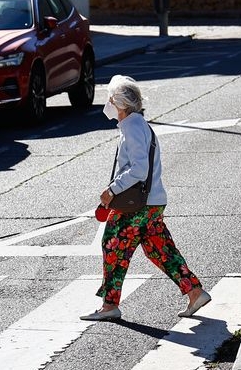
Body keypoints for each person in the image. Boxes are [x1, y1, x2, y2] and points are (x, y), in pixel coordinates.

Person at [80, 75, 211, 321]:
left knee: (113, 245)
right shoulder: (138, 125)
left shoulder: (132, 127)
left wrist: (112, 190)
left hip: (137, 205)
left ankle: (109, 306)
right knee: (159, 249)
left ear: (120, 103)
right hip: (152, 202)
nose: (108, 103)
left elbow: (139, 169)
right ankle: (194, 292)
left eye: (111, 99)